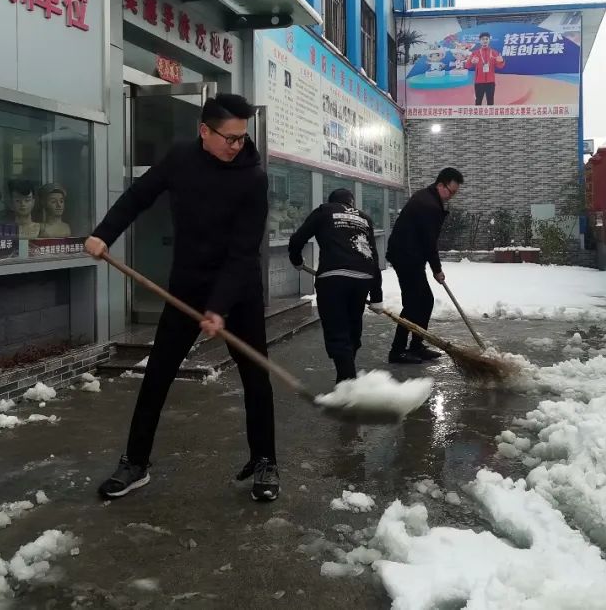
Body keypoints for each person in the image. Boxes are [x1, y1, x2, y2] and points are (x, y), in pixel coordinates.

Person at [84, 93, 279, 502]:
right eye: (230, 138)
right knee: (157, 375)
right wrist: (104, 234)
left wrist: (219, 308)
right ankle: (135, 462)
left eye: (243, 138)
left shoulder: (253, 178)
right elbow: (138, 197)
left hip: (238, 292)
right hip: (186, 286)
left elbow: (244, 252)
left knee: (255, 379)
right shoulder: (180, 159)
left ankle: (265, 461)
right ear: (203, 131)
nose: (237, 146)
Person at [288, 189, 383, 383]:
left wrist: (296, 260)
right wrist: (377, 296)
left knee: (337, 331)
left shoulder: (324, 211)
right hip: (363, 277)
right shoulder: (364, 218)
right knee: (352, 329)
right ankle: (346, 377)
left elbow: (298, 238)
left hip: (333, 278)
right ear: (352, 203)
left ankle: (348, 383)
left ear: (332, 201)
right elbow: (373, 257)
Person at [385, 167, 463, 364]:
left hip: (410, 256)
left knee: (425, 300)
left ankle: (416, 345)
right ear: (440, 184)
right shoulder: (429, 205)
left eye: (455, 193)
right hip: (406, 257)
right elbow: (430, 242)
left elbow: (426, 241)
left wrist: (433, 266)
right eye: (450, 192)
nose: (451, 197)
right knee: (413, 304)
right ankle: (397, 351)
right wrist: (437, 270)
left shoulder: (428, 198)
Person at [465, 32, 505, 106]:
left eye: (487, 39)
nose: (485, 41)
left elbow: (500, 66)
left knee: (490, 101)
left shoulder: (494, 53)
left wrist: (501, 61)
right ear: (480, 41)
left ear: (489, 40)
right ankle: (477, 117)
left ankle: (490, 117)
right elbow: (467, 66)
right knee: (478, 101)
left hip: (490, 82)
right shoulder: (475, 53)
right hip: (479, 82)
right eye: (483, 39)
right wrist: (471, 61)